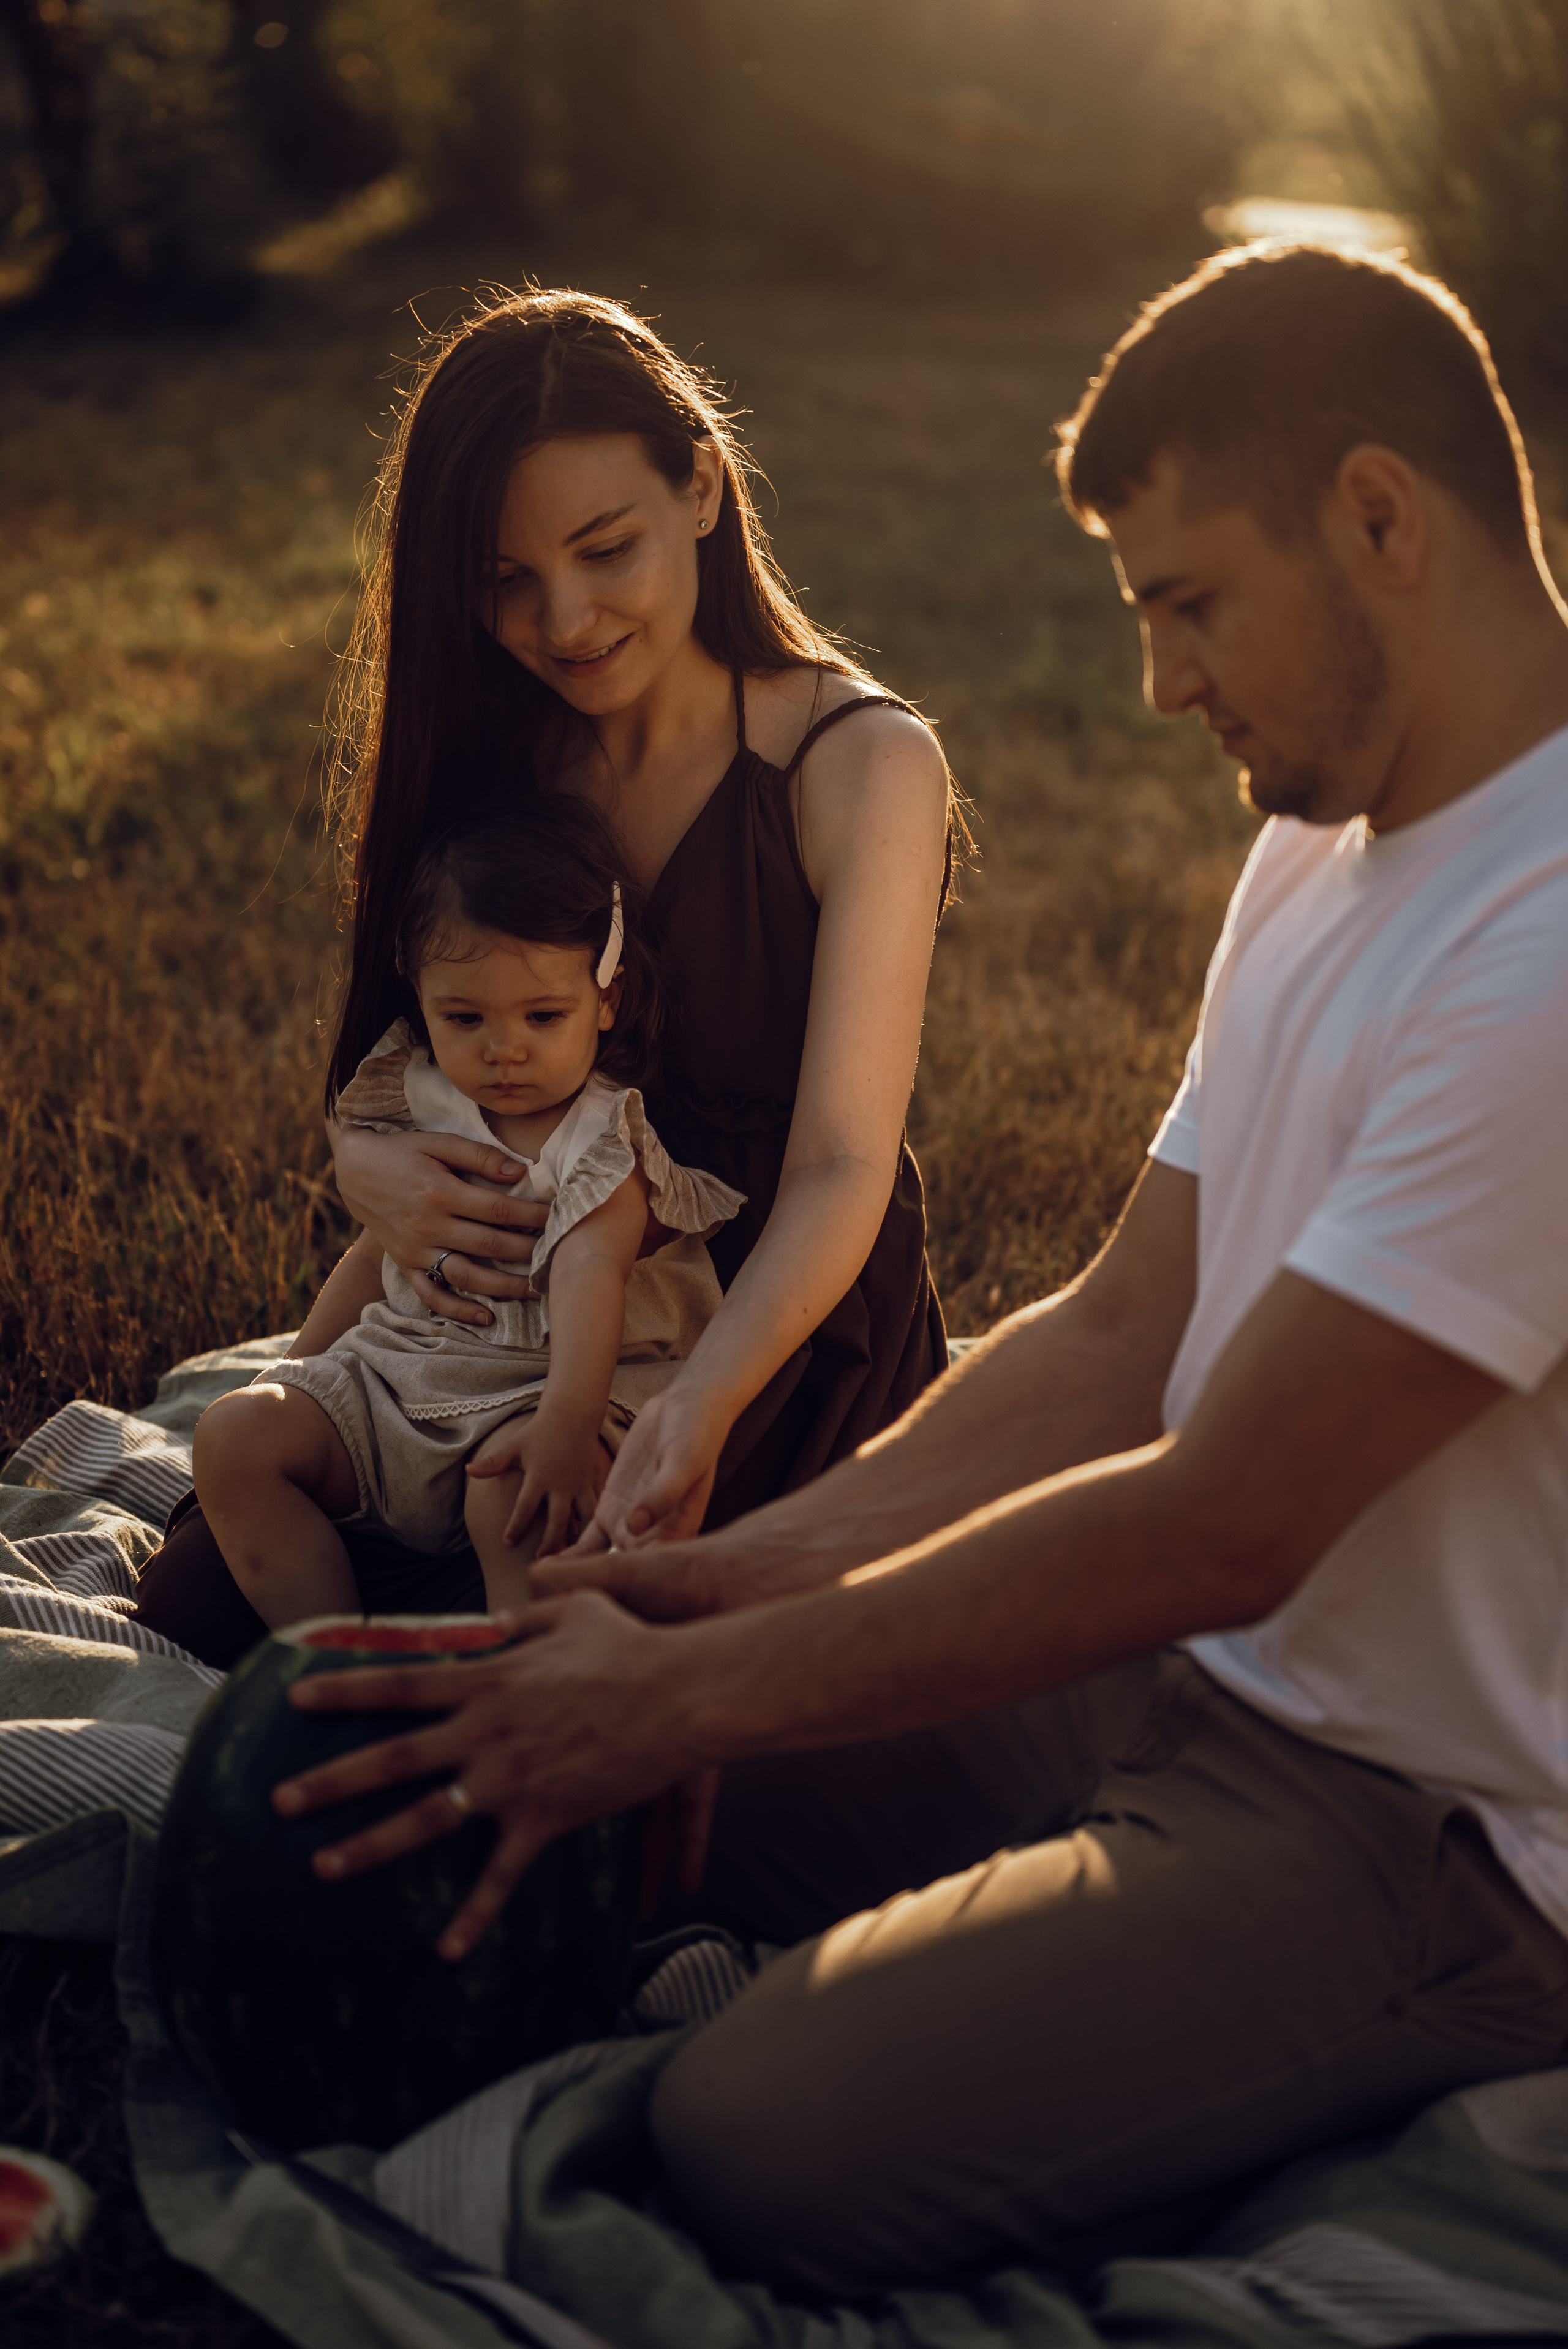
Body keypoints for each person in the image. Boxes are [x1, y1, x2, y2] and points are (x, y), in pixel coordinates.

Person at [276, 239, 1568, 2294]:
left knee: (750, 2134)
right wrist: (715, 1584)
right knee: (615, 1843)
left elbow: (1223, 1516)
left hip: (1431, 1823)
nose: (1160, 685)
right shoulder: (1321, 845)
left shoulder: (1545, 949)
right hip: (1179, 1674)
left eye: (1189, 603)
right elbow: (1119, 1334)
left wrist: (687, 1685)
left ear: (1380, 520)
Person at [132, 287, 961, 1665]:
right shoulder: (507, 754)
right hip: (502, 1311)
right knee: (204, 1601)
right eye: (505, 579)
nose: (564, 619)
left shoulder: (860, 765)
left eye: (605, 549)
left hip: (751, 1317)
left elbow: (840, 1167)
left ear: (702, 486)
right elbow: (420, 1049)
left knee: (600, 1620)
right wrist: (364, 1163)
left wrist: (697, 1407)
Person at [190, 796, 742, 1626]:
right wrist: (297, 1374)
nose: (504, 1048)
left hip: (544, 1394)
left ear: (607, 999)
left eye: (543, 1016)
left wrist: (567, 1427)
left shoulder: (601, 1143)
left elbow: (591, 1275)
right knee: (235, 1436)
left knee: (515, 1500)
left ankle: (517, 1665)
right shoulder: (422, 1103)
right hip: (402, 1387)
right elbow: (378, 1254)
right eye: (464, 1017)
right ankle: (333, 1651)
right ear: (421, 996)